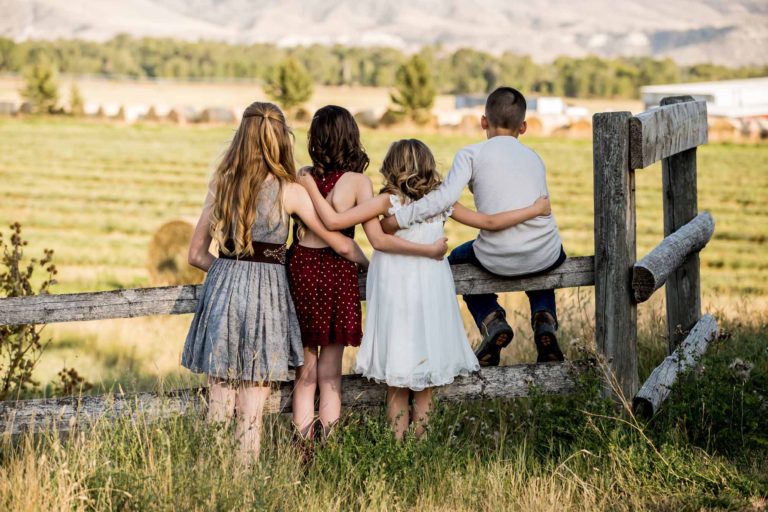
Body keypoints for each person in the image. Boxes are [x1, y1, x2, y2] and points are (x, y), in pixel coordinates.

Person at [302, 138, 550, 439]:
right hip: (429, 285)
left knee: (398, 373)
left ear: (392, 168)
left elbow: (338, 222)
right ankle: (419, 446)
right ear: (429, 167)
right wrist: (534, 210)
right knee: (425, 373)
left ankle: (397, 446)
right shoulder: (441, 202)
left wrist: (309, 187)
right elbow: (488, 221)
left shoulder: (386, 202)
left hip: (396, 286)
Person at [181, 101, 368, 465]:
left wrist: (228, 275)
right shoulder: (290, 191)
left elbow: (196, 254)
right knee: (253, 400)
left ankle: (211, 481)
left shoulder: (222, 182)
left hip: (224, 288)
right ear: (282, 138)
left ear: (241, 138)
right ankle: (245, 486)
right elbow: (336, 240)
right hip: (267, 296)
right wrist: (368, 265)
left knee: (219, 393)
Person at [287, 106, 447, 443]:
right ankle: (327, 444)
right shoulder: (359, 182)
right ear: (351, 139)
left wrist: (307, 185)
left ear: (315, 140)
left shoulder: (301, 178)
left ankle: (303, 448)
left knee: (306, 371)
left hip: (301, 268)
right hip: (336, 272)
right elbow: (362, 235)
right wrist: (368, 265)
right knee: (330, 375)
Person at [382, 87, 566, 367]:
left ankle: (491, 319)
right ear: (524, 127)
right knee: (546, 252)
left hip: (497, 257)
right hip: (544, 254)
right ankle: (544, 317)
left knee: (457, 258)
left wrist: (398, 220)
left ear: (483, 122)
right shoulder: (534, 158)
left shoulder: (470, 154)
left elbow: (444, 199)